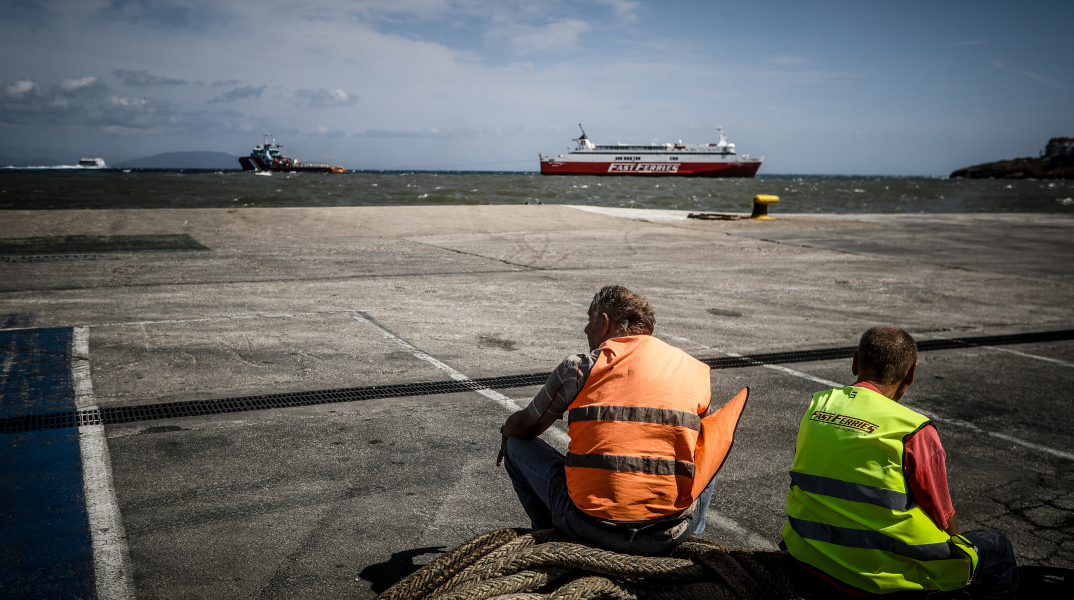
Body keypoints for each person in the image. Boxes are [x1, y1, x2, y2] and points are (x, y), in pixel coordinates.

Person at [496, 285, 748, 554]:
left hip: (589, 525)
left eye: (589, 319)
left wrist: (505, 430)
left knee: (515, 446)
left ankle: (552, 542)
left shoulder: (580, 367)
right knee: (708, 450)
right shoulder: (693, 369)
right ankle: (692, 543)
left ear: (604, 322)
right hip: (668, 533)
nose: (585, 329)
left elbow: (524, 426)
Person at [782, 326, 1018, 598]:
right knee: (997, 548)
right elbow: (943, 516)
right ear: (911, 373)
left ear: (855, 362)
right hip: (877, 579)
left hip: (808, 555)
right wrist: (959, 551)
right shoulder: (913, 429)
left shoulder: (818, 405)